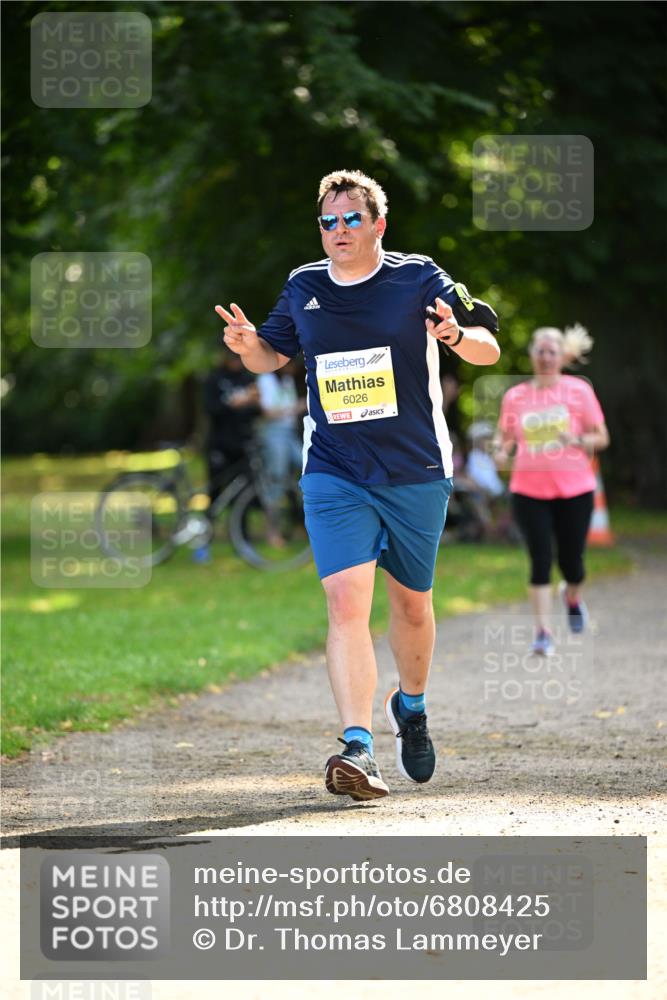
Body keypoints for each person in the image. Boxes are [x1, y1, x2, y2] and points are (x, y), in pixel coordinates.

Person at [215, 169, 500, 801]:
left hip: (415, 469)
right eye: (327, 221)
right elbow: (270, 355)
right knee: (346, 604)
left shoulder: (419, 277)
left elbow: (488, 346)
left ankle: (413, 707)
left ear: (378, 224)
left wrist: (454, 334)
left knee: (411, 606)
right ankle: (358, 746)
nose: (338, 231)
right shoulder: (303, 285)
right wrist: (246, 346)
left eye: (350, 219)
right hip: (335, 470)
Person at [495, 325, 610, 656]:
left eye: (552, 352)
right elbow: (504, 440)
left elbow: (601, 437)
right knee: (540, 560)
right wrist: (501, 452)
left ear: (562, 356)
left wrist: (576, 440)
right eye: (540, 351)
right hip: (529, 491)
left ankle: (572, 595)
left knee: (573, 563)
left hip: (575, 489)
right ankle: (543, 633)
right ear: (532, 354)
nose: (545, 357)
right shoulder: (515, 397)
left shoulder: (579, 391)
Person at [256, 362, 307, 546]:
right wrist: (295, 407)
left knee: (307, 469)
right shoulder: (266, 379)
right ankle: (272, 531)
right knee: (276, 480)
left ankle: (301, 525)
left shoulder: (286, 380)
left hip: (289, 433)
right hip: (273, 435)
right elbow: (268, 412)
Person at [203, 348, 260, 508]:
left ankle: (240, 529)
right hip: (220, 441)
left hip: (242, 441)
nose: (236, 361)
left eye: (238, 357)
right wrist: (234, 403)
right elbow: (210, 409)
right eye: (232, 357)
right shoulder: (214, 379)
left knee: (244, 489)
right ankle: (208, 527)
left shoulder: (247, 379)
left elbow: (256, 412)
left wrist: (254, 403)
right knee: (216, 487)